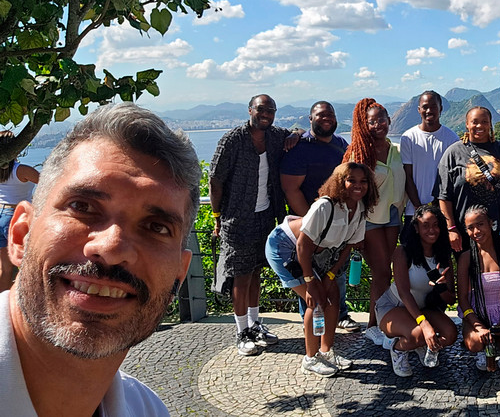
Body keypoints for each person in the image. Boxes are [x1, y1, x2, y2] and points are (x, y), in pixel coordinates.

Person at [2, 103, 200, 415]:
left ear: (179, 273)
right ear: (20, 236)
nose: (111, 247)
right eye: (82, 207)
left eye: (156, 227)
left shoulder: (148, 410)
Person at [265, 162, 377, 377]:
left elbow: (350, 245)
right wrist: (310, 281)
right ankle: (310, 358)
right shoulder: (326, 206)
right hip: (286, 247)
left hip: (318, 253)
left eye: (363, 181)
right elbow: (302, 245)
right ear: (340, 182)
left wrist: (331, 274)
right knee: (315, 299)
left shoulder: (360, 208)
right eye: (351, 180)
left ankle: (326, 351)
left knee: (333, 296)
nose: (358, 185)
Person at [209, 94, 299, 356]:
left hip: (266, 216)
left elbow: (300, 130)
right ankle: (242, 332)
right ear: (250, 110)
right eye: (261, 109)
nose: (266, 114)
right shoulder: (232, 140)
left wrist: (295, 133)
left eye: (271, 110)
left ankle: (255, 323)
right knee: (241, 275)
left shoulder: (275, 136)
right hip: (236, 218)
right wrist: (217, 217)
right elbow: (215, 181)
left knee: (257, 271)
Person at [280, 100, 359, 332]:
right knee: (308, 272)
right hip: (307, 223)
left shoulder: (340, 144)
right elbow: (290, 189)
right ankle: (311, 321)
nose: (327, 118)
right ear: (310, 118)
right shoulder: (299, 148)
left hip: (336, 221)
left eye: (331, 115)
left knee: (336, 270)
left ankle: (341, 314)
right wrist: (312, 221)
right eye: (321, 115)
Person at [343, 98, 406, 344]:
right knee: (381, 273)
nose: (378, 124)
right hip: (368, 220)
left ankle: (381, 321)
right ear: (364, 124)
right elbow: (349, 193)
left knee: (386, 273)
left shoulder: (397, 149)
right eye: (372, 121)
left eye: (382, 119)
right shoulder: (358, 153)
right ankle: (373, 324)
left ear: (390, 120)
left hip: (392, 217)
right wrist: (354, 231)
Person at [376, 204, 457, 377]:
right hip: (394, 306)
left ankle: (422, 343)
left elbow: (451, 299)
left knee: (450, 334)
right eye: (426, 225)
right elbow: (404, 292)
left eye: (436, 225)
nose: (432, 230)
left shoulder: (443, 256)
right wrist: (424, 323)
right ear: (416, 228)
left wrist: (441, 288)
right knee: (419, 334)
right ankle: (398, 348)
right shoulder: (402, 252)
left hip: (423, 308)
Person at [436, 106, 500, 253]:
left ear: (490, 124)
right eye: (474, 122)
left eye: (484, 122)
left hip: (499, 230)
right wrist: (451, 229)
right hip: (465, 233)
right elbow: (444, 196)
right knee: (468, 271)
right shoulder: (453, 153)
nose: (479, 126)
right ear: (467, 124)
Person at [457, 205, 500, 371]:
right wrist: (478, 326)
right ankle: (483, 351)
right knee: (474, 342)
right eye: (470, 228)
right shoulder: (466, 258)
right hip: (477, 315)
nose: (476, 231)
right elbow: (463, 299)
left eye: (480, 225)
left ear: (491, 224)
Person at [400, 91, 459, 222]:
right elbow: (407, 176)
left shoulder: (452, 139)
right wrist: (419, 207)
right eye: (425, 107)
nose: (429, 110)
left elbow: (453, 177)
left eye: (433, 106)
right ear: (419, 110)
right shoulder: (408, 138)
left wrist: (438, 205)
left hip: (443, 211)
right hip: (414, 211)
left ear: (440, 108)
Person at [0, 132, 39, 292]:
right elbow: (48, 183)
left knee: (4, 268)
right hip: (16, 217)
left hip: (0, 214)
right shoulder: (21, 170)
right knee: (25, 265)